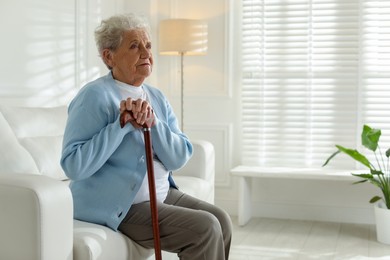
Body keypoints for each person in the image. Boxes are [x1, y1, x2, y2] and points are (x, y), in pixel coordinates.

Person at [60, 13, 232, 260]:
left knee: (222, 220)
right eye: (134, 46)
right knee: (205, 228)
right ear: (109, 56)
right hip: (121, 204)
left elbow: (178, 158)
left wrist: (153, 123)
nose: (145, 52)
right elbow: (73, 165)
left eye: (148, 45)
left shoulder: (156, 97)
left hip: (161, 193)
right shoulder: (93, 96)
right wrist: (120, 126)